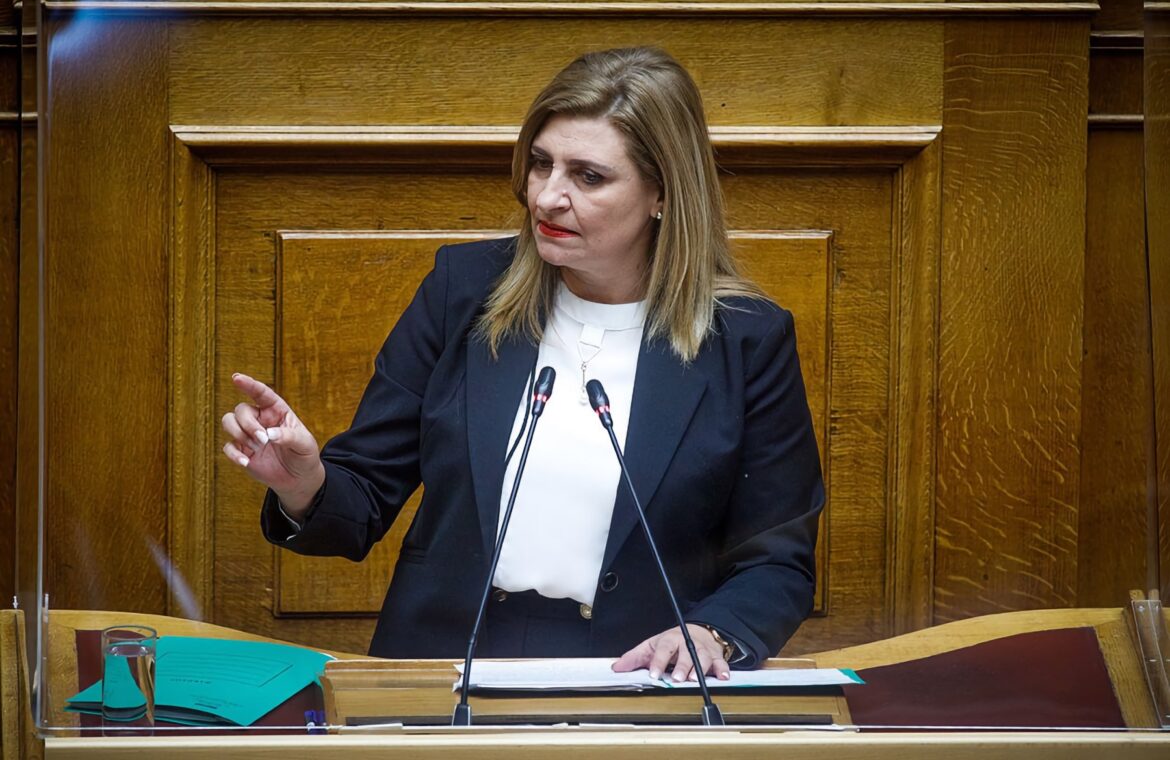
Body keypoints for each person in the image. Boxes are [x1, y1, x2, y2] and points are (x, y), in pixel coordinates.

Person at [221, 47, 823, 683]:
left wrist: (712, 632)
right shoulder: (462, 291)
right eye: (541, 164)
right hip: (448, 663)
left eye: (588, 177)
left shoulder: (745, 340)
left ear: (663, 194)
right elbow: (363, 499)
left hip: (636, 675)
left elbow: (777, 560)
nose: (548, 197)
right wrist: (304, 484)